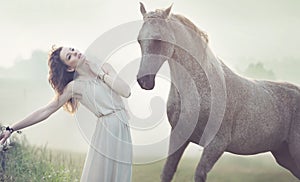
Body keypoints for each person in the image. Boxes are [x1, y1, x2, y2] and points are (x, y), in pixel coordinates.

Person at [0, 46, 132, 182]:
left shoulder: (104, 67)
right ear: (70, 68)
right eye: (69, 57)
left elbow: (126, 91)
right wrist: (12, 128)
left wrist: (100, 74)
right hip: (106, 131)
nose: (75, 53)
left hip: (122, 127)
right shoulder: (75, 86)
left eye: (73, 50)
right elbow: (46, 110)